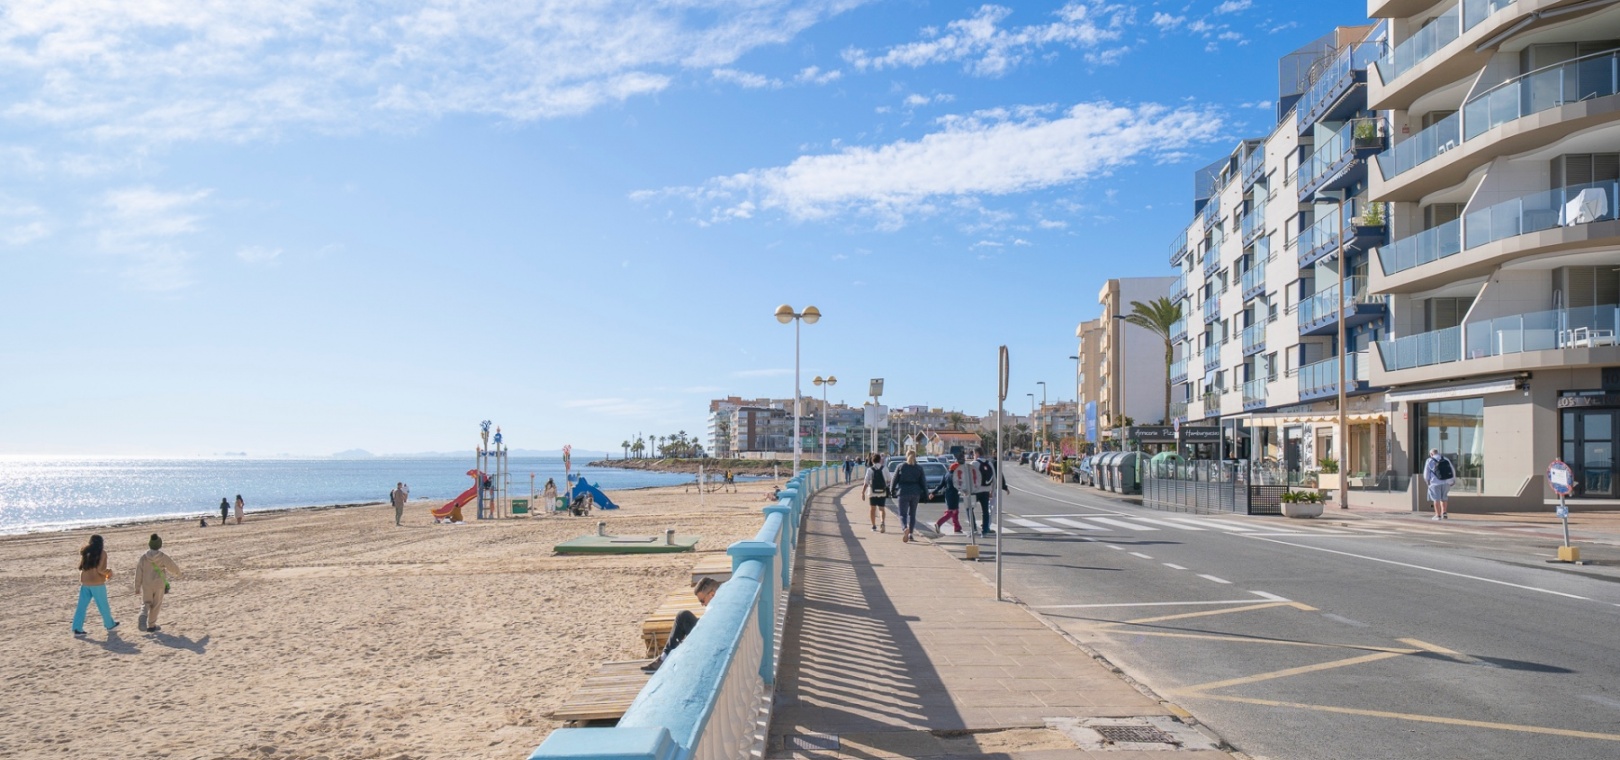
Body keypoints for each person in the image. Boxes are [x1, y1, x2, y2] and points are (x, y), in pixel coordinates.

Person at [642, 577, 721, 672]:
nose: (702, 604)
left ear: (712, 594)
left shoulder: (719, 606)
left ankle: (664, 658)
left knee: (683, 616)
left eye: (702, 601)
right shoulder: (722, 601)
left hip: (710, 644)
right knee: (684, 617)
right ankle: (665, 657)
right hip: (710, 637)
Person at [134, 533, 182, 632]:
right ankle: (151, 625)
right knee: (156, 605)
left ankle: (143, 614)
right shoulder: (163, 556)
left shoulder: (144, 557)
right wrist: (178, 573)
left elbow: (138, 572)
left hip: (146, 584)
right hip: (159, 584)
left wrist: (137, 587)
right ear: (159, 545)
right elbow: (171, 566)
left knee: (146, 602)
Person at [72, 534, 118, 636]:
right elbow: (101, 570)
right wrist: (109, 572)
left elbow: (82, 566)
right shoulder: (102, 553)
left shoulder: (86, 551)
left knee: (81, 607)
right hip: (97, 583)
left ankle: (77, 628)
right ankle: (109, 625)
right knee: (103, 605)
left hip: (85, 582)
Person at [891, 453, 928, 543]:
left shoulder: (901, 466)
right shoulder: (919, 468)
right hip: (915, 493)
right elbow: (923, 482)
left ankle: (905, 528)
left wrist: (892, 490)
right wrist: (926, 494)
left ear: (906, 456)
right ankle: (911, 533)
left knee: (902, 514)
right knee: (912, 514)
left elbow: (894, 480)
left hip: (903, 492)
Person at [973, 452, 1004, 534]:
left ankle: (974, 528)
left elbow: (969, 478)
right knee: (985, 511)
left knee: (969, 508)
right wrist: (992, 491)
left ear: (976, 454)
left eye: (973, 454)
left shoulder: (973, 463)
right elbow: (994, 479)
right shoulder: (989, 463)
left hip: (975, 491)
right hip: (986, 491)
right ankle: (985, 529)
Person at [1423, 448, 1455, 520]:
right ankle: (1444, 513)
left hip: (1435, 483)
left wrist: (1427, 481)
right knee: (1444, 498)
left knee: (1436, 499)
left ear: (1431, 454)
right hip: (1446, 482)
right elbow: (1452, 470)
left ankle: (1438, 515)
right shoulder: (1446, 459)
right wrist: (1452, 481)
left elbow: (1426, 473)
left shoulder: (1429, 460)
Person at [934, 462, 964, 535]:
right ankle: (938, 523)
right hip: (954, 494)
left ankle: (957, 527)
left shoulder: (946, 474)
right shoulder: (955, 476)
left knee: (955, 511)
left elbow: (941, 485)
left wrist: (933, 492)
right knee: (952, 511)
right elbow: (959, 485)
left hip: (948, 494)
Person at [861, 454, 888, 532]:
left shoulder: (870, 470)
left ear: (872, 461)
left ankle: (874, 526)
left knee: (872, 509)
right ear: (880, 460)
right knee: (881, 509)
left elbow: (866, 482)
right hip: (882, 492)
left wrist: (862, 492)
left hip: (872, 492)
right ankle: (882, 522)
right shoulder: (884, 468)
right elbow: (889, 479)